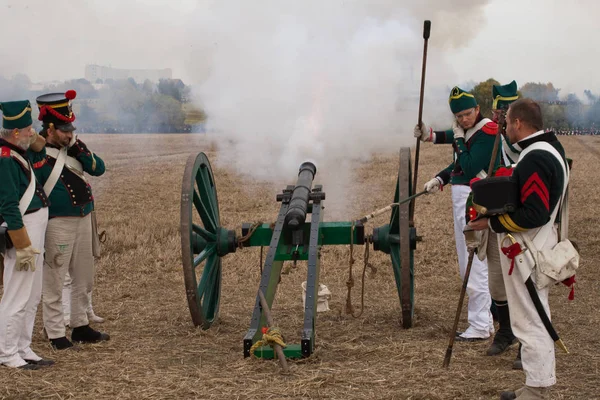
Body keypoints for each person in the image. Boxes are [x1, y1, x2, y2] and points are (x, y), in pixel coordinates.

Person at [469, 98, 568, 400]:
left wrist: (492, 222)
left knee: (531, 320)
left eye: (508, 121)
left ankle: (537, 392)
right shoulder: (548, 149)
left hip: (527, 251)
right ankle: (534, 385)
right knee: (532, 317)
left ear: (518, 124)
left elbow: (535, 213)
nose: (505, 126)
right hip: (531, 246)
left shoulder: (536, 157)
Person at [414, 86, 498, 341]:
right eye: (459, 116)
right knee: (467, 262)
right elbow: (458, 158)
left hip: (475, 198)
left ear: (477, 109)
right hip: (462, 197)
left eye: (467, 113)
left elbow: (470, 165)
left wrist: (459, 139)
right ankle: (483, 319)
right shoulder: (471, 130)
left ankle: (481, 324)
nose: (464, 119)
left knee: (475, 262)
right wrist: (440, 178)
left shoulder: (488, 130)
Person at [35, 90, 109, 350]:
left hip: (83, 217)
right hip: (58, 222)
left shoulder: (76, 147)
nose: (70, 134)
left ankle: (80, 325)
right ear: (51, 128)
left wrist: (79, 150)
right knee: (54, 278)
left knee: (83, 277)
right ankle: (56, 334)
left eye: (71, 129)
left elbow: (98, 168)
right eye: (65, 130)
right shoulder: (37, 152)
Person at [0, 100, 54, 369]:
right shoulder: (5, 158)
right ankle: (7, 352)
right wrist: (22, 244)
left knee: (32, 293)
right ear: (16, 133)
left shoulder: (18, 149)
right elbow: (9, 205)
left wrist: (31, 135)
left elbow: (39, 145)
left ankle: (23, 346)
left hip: (35, 230)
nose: (33, 132)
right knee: (17, 293)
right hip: (24, 234)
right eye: (28, 129)